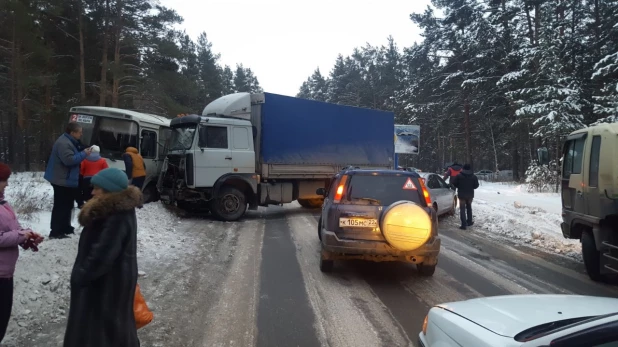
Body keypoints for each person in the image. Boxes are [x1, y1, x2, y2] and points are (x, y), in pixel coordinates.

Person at [64, 168, 141, 347]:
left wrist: (81, 276)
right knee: (113, 328)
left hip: (104, 285)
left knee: (100, 333)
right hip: (111, 283)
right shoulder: (118, 211)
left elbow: (103, 255)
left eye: (97, 188)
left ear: (109, 190)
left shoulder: (115, 216)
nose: (92, 192)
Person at [0, 163, 44, 343]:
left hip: (5, 273)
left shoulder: (3, 203)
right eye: (4, 180)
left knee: (2, 321)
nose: (7, 184)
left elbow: (13, 228)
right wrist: (20, 235)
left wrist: (28, 236)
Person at [44, 122, 92, 239]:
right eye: (79, 132)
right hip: (61, 180)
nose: (81, 134)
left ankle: (66, 227)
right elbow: (69, 160)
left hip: (66, 179)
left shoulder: (70, 141)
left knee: (68, 204)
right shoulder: (64, 143)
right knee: (61, 206)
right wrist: (84, 154)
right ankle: (55, 231)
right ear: (72, 132)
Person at [450, 163, 480, 230]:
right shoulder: (474, 176)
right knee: (469, 208)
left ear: (463, 168)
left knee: (462, 209)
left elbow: (454, 183)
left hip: (461, 195)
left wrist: (459, 186)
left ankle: (463, 225)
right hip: (470, 195)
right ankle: (469, 221)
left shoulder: (459, 176)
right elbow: (476, 186)